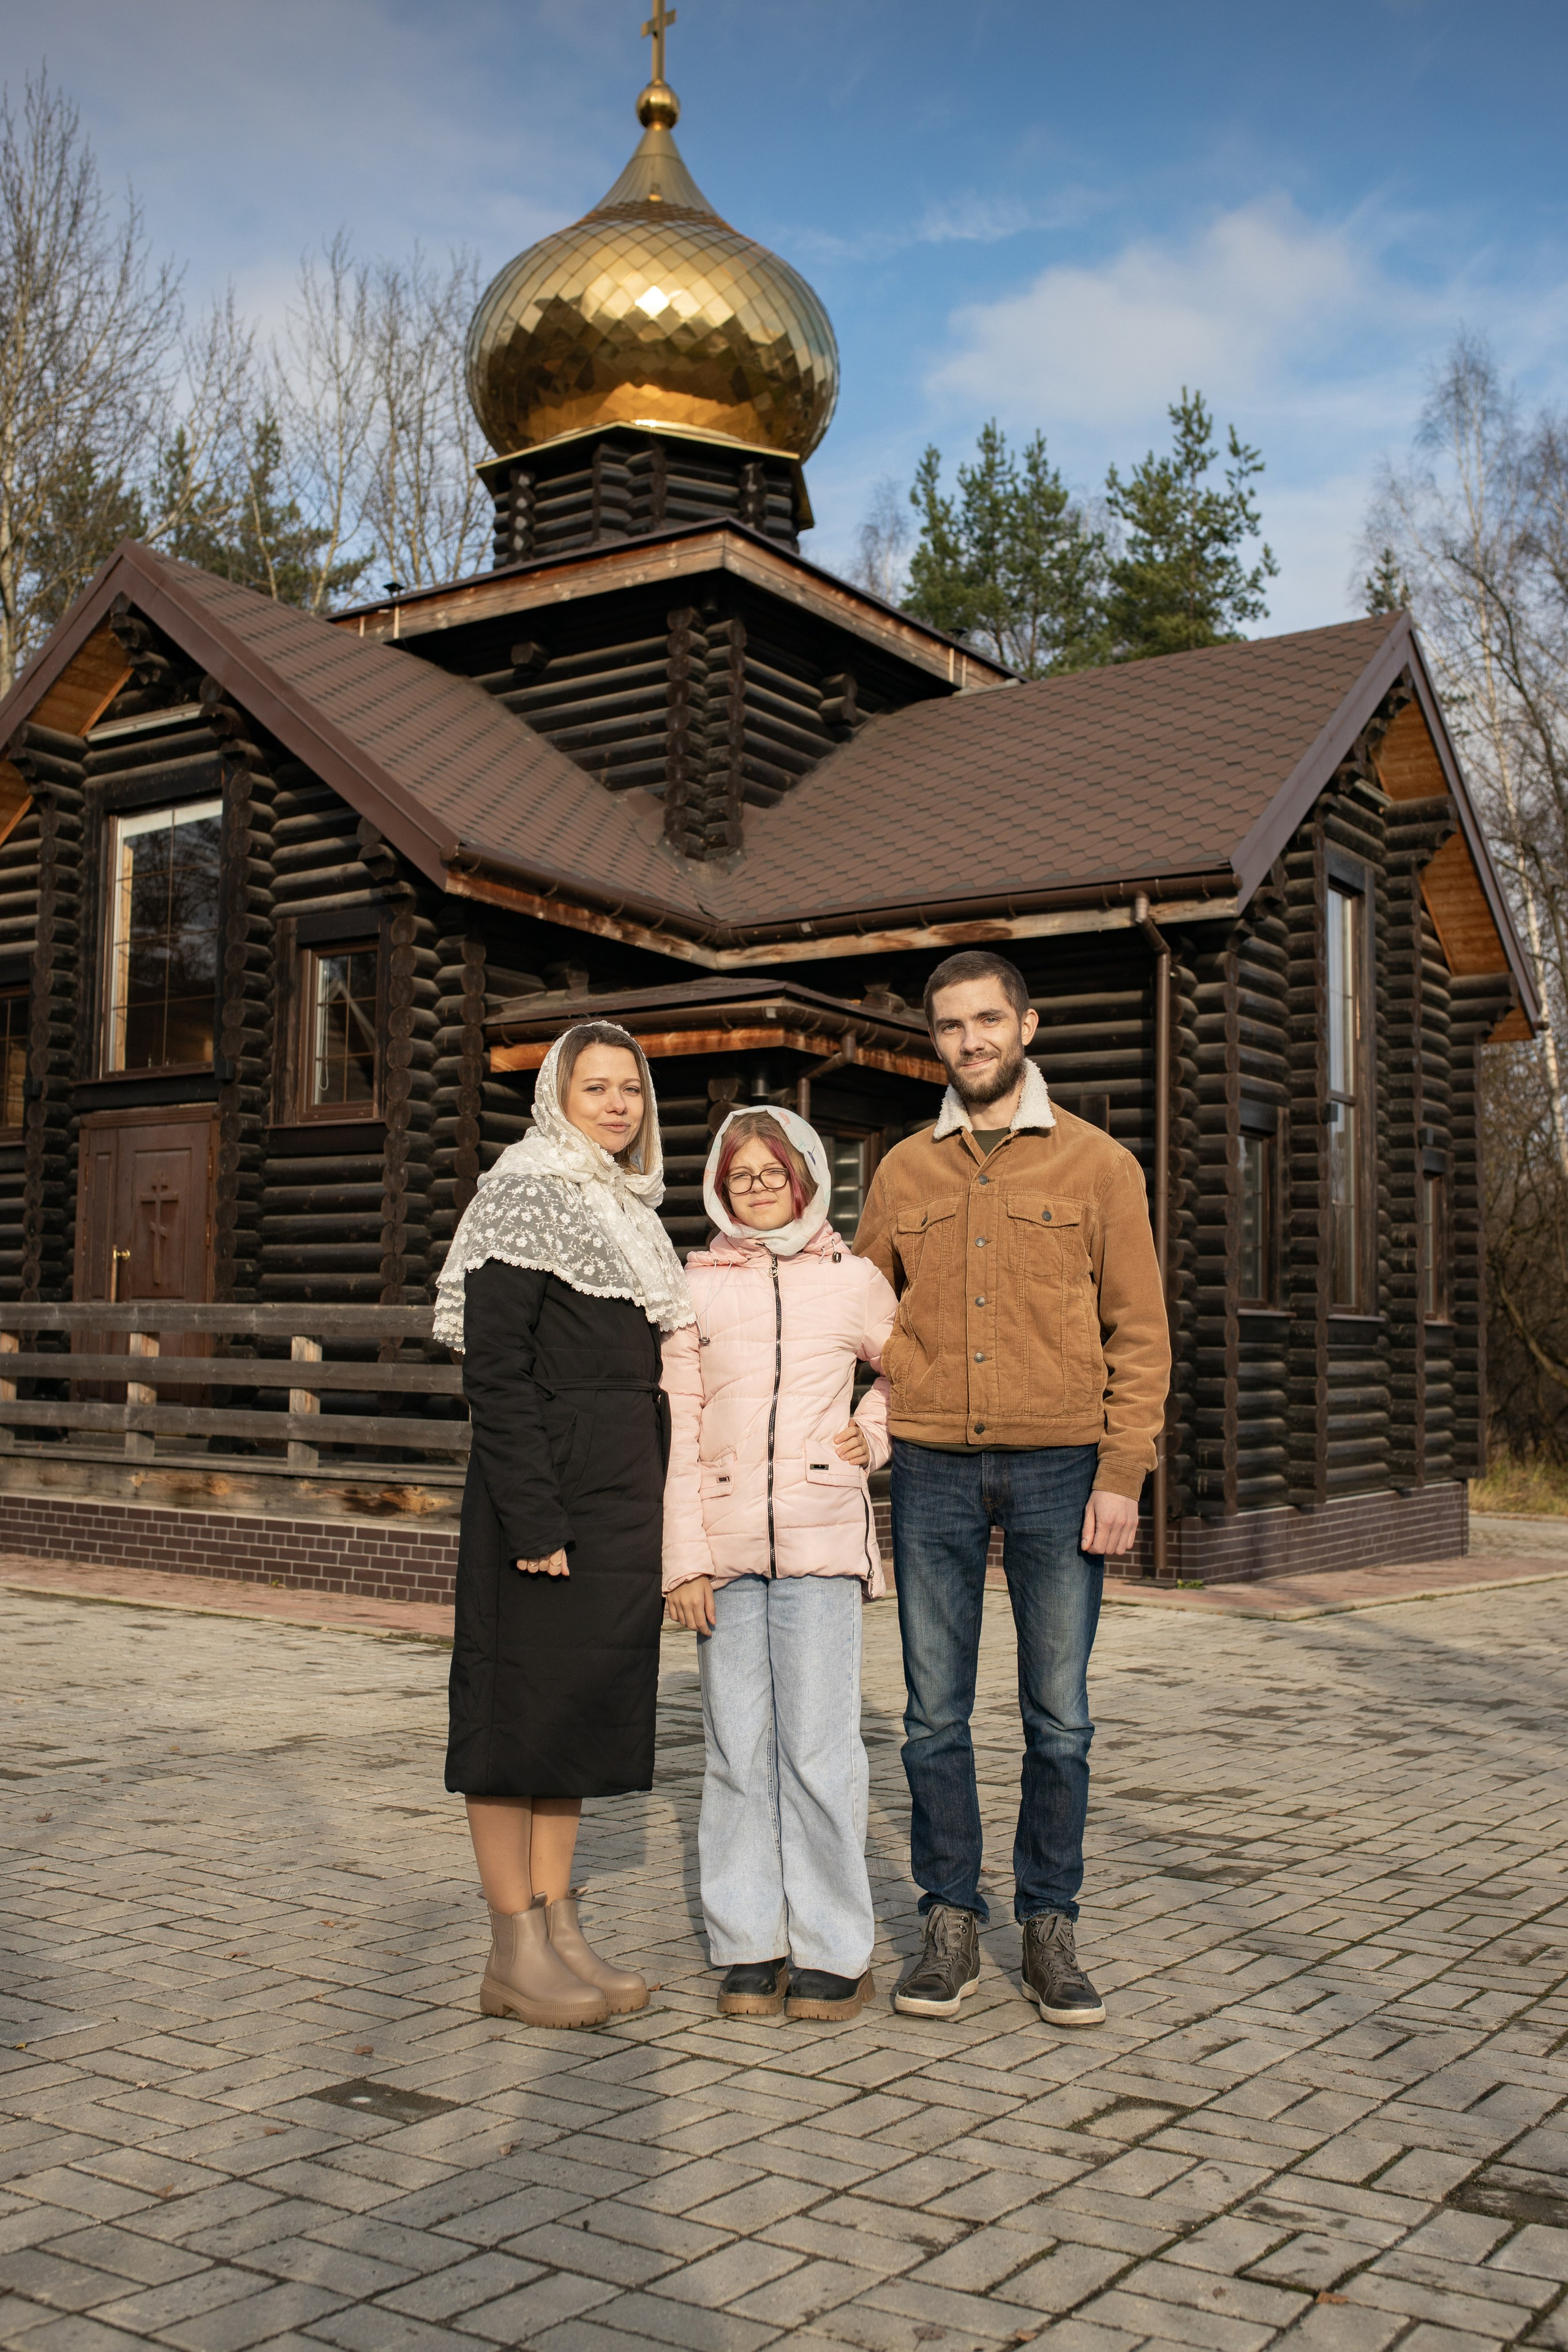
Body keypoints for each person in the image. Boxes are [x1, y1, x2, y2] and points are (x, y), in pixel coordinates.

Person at [854, 951, 1169, 2027]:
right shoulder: (901, 1173)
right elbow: (861, 1319)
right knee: (933, 1714)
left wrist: (1123, 1471)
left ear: (1026, 1027)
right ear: (934, 1041)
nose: (971, 1040)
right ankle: (950, 1919)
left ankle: (1049, 1927)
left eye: (989, 1020)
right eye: (950, 1026)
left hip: (1061, 1467)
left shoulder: (1099, 1167)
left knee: (1061, 1717)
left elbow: (1142, 1331)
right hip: (934, 1466)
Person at [434, 1022, 693, 2029]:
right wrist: (533, 1512)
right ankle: (512, 1950)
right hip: (544, 1497)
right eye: (598, 1088)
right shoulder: (526, 1192)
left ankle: (558, 1925)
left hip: (618, 1491)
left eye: (631, 1089)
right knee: (516, 1718)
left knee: (576, 1711)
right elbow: (494, 1371)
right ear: (559, 1096)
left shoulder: (628, 1206)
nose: (620, 1105)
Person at [662, 1107, 898, 2023]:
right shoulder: (693, 1285)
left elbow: (905, 1372)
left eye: (772, 1172)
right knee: (735, 1753)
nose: (756, 1186)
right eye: (739, 1174)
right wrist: (683, 1562)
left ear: (805, 1176)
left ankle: (835, 1951)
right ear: (721, 1186)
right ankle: (750, 1947)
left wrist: (869, 1436)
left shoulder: (853, 1281)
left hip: (819, 1542)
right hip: (722, 1548)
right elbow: (676, 1427)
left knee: (819, 1749)